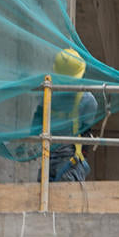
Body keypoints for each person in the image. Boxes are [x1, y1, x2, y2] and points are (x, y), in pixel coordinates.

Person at [33, 47, 102, 182]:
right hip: (70, 164)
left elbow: (36, 123)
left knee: (43, 199)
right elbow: (86, 133)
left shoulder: (47, 93)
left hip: (47, 159)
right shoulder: (87, 100)